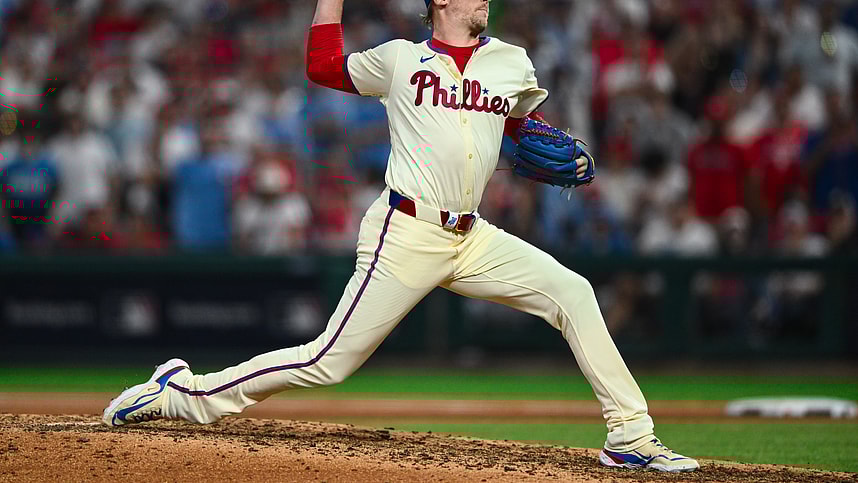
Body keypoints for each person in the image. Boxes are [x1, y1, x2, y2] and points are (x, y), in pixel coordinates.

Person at [102, 0, 699, 473]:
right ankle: (181, 393)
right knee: (327, 362)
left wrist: (546, 145)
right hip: (406, 231)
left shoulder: (512, 61)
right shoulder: (400, 60)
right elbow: (322, 66)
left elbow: (518, 129)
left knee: (573, 292)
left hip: (473, 236)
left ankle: (630, 435)